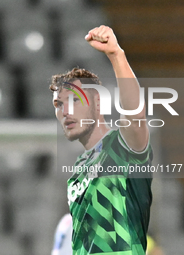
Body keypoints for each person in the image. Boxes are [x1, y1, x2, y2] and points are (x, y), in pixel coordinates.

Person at [50, 25, 153, 254]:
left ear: (97, 103)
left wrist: (117, 55)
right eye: (58, 104)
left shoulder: (121, 147)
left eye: (74, 100)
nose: (65, 111)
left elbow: (135, 114)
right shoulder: (78, 171)